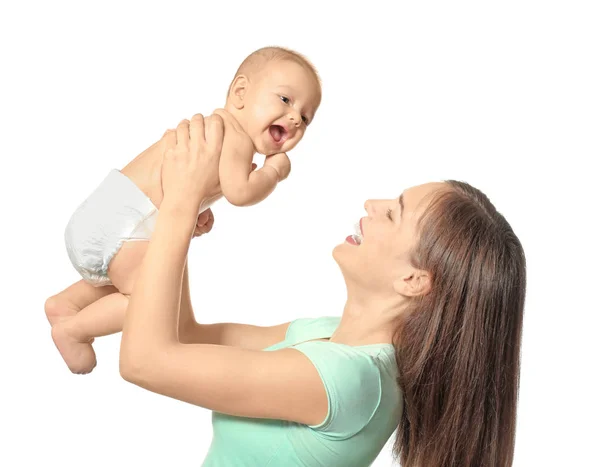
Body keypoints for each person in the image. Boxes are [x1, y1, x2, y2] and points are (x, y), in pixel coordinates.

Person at [119, 115, 526, 467]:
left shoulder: (348, 379)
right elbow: (186, 336)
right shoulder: (326, 337)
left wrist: (180, 201)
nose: (372, 204)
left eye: (393, 213)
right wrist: (180, 223)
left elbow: (144, 362)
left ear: (413, 280)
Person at [44, 46, 322, 374]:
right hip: (129, 221)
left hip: (113, 211)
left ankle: (67, 304)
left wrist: (197, 212)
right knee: (150, 301)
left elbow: (178, 187)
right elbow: (240, 192)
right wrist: (274, 172)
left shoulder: (210, 131)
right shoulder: (235, 135)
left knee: (132, 277)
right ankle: (73, 330)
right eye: (286, 100)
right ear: (241, 92)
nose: (295, 118)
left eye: (305, 117)